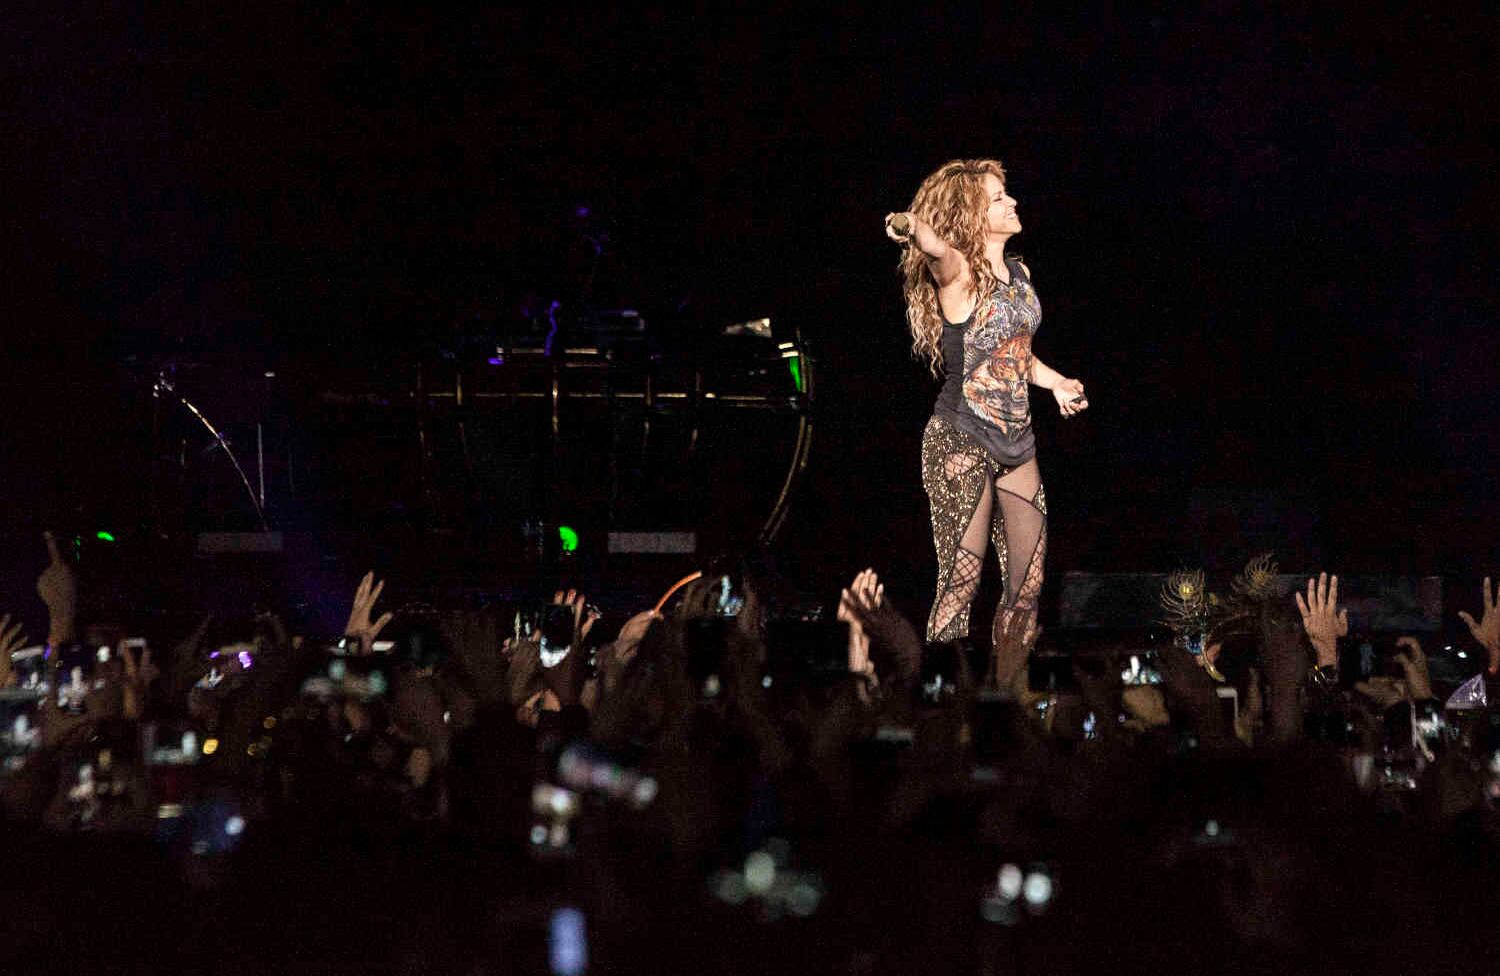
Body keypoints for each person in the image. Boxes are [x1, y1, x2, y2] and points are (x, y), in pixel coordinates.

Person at [885, 159, 1088, 674]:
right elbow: (930, 242)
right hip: (960, 439)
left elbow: (1018, 353)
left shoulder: (1020, 274)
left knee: (1029, 584)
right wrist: (908, 225)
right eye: (998, 197)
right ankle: (937, 698)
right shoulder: (956, 269)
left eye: (1007, 193)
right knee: (960, 581)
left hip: (1018, 443)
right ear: (971, 214)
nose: (1011, 202)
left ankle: (1008, 696)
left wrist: (1056, 381)